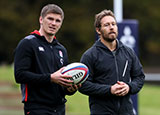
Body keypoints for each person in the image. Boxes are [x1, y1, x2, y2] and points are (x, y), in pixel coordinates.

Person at [14, 4, 80, 115]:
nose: (53, 23)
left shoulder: (61, 49)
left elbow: (62, 83)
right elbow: (20, 75)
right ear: (41, 19)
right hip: (37, 108)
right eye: (50, 19)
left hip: (59, 109)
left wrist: (70, 89)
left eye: (57, 21)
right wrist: (50, 78)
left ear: (61, 24)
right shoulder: (28, 43)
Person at [78, 9, 145, 115]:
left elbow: (140, 77)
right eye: (107, 25)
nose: (111, 27)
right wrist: (109, 90)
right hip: (101, 111)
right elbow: (83, 85)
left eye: (113, 24)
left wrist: (129, 87)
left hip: (126, 111)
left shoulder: (128, 52)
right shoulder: (90, 55)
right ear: (98, 30)